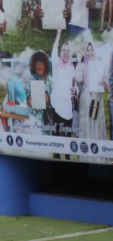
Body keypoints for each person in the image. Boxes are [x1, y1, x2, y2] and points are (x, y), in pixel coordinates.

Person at [75, 42, 107, 162]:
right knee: (86, 125)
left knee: (96, 124)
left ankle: (98, 155)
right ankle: (86, 155)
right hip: (85, 100)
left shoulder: (100, 65)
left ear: (95, 51)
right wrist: (78, 61)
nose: (89, 53)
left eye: (91, 50)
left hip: (96, 99)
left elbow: (104, 83)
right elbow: (78, 79)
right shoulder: (82, 66)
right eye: (87, 50)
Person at [50, 28, 76, 159]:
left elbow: (76, 85)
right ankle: (56, 157)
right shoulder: (56, 63)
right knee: (55, 133)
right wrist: (58, 33)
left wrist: (76, 90)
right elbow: (54, 49)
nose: (66, 53)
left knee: (66, 135)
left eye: (68, 51)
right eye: (64, 50)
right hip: (56, 104)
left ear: (71, 53)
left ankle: (67, 158)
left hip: (67, 107)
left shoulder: (72, 68)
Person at [25, 51, 52, 135]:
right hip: (35, 118)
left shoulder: (50, 80)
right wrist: (28, 100)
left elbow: (55, 101)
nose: (39, 66)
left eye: (41, 64)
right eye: (37, 64)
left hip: (46, 118)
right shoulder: (32, 79)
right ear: (34, 65)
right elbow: (29, 95)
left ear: (45, 65)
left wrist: (49, 100)